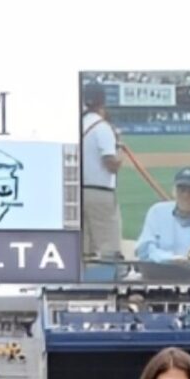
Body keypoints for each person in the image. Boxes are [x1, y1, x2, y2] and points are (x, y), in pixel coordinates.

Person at [81, 82, 123, 262]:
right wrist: (119, 149)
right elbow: (111, 164)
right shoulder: (102, 127)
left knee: (84, 248)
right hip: (100, 192)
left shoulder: (79, 123)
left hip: (77, 191)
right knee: (109, 247)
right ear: (102, 101)